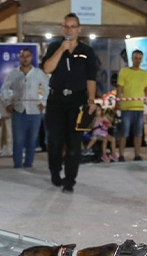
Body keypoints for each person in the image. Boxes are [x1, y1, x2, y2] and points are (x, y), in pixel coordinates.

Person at [41, 13, 98, 193]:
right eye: (66, 26)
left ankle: (70, 180)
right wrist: (61, 50)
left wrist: (91, 101)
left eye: (73, 27)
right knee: (55, 140)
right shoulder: (54, 47)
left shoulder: (87, 51)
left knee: (74, 143)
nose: (69, 30)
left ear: (79, 29)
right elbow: (47, 69)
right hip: (56, 100)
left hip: (77, 101)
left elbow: (91, 78)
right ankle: (55, 171)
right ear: (62, 28)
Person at [1, 48, 48, 169]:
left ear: (32, 58)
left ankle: (28, 164)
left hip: (35, 111)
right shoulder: (14, 73)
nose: (25, 58)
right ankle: (17, 165)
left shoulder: (38, 73)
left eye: (27, 56)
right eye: (23, 56)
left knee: (32, 141)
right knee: (18, 141)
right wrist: (7, 103)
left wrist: (43, 102)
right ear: (19, 58)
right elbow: (5, 89)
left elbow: (47, 88)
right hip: (19, 111)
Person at [115, 49, 147, 161]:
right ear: (132, 58)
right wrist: (117, 102)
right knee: (124, 133)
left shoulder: (144, 73)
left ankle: (137, 155)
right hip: (126, 107)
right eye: (136, 58)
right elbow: (119, 88)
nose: (137, 60)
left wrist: (144, 97)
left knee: (138, 133)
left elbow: (146, 88)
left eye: (139, 58)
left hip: (139, 107)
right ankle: (121, 155)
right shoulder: (124, 72)